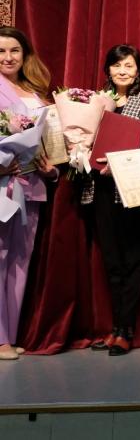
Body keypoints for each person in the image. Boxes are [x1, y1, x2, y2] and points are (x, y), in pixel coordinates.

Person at [87, 44, 140, 356]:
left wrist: (119, 164)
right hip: (100, 190)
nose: (122, 71)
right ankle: (115, 327)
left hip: (133, 189)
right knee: (111, 261)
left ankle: (126, 330)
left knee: (132, 261)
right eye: (117, 65)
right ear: (108, 70)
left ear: (138, 71)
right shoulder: (94, 102)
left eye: (128, 65)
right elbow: (83, 141)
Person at [0, 26, 56, 361]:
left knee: (20, 263)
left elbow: (46, 143)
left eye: (14, 50)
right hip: (3, 186)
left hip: (31, 186)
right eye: (1, 51)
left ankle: (11, 335)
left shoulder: (34, 91)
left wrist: (51, 169)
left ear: (25, 55)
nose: (8, 57)